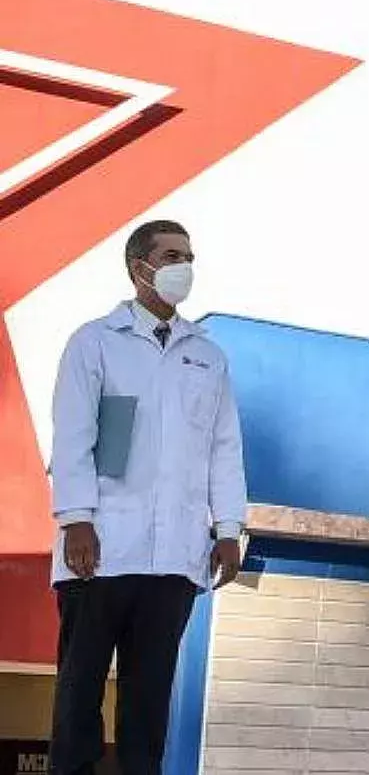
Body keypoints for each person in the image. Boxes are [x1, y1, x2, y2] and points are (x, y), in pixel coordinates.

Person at [48, 220, 247, 775]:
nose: (185, 265)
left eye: (189, 255)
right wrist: (76, 518)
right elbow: (72, 434)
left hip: (173, 559)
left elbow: (225, 448)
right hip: (102, 550)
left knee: (149, 704)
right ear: (139, 267)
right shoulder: (94, 342)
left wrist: (228, 529)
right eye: (172, 255)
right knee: (78, 695)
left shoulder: (208, 357)